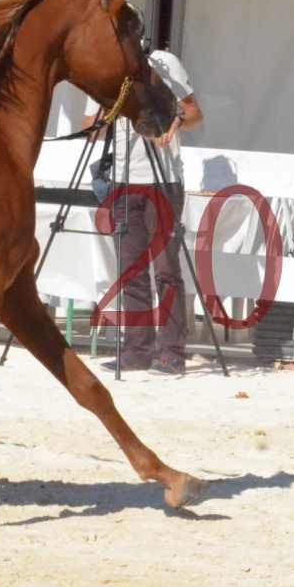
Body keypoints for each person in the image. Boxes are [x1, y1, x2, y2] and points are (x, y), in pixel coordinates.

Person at [99, 48, 204, 374]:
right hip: (123, 181)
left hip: (163, 181)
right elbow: (93, 126)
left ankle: (171, 351)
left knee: (166, 269)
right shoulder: (103, 66)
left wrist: (170, 122)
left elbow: (194, 113)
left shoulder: (164, 63)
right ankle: (136, 349)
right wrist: (114, 105)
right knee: (130, 270)